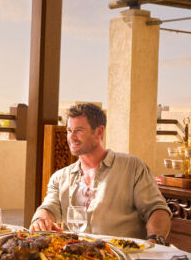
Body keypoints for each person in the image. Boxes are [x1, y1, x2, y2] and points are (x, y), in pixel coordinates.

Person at [30, 103, 171, 243]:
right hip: (76, 258)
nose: (71, 137)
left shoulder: (132, 167)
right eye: (69, 130)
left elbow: (157, 210)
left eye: (78, 130)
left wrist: (154, 240)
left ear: (99, 131)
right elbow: (48, 208)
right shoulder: (60, 177)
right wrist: (40, 219)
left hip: (126, 258)